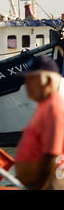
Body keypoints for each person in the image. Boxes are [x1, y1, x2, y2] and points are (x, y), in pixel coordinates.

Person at [14, 55, 64, 190]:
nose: (26, 84)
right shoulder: (44, 106)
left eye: (31, 79)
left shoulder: (53, 107)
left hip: (49, 184)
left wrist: (39, 187)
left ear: (47, 80)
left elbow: (51, 154)